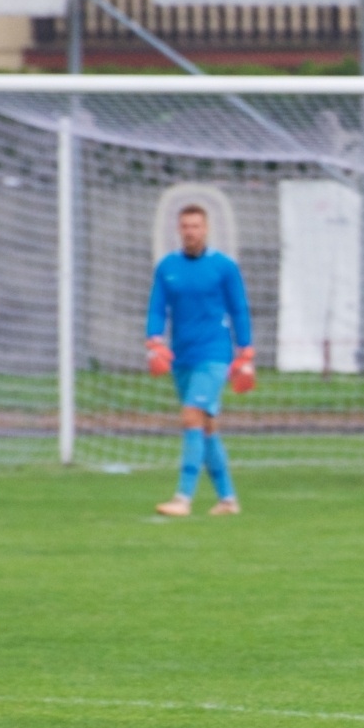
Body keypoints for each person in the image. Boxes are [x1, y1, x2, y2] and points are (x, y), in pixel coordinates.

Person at [145, 204, 254, 517]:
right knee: (206, 427)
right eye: (185, 226)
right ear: (179, 230)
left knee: (191, 416)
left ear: (205, 229)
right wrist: (154, 340)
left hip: (215, 354)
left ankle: (183, 498)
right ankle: (228, 500)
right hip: (183, 356)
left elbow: (239, 309)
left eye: (196, 226)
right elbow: (157, 308)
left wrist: (245, 349)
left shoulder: (224, 267)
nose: (190, 231)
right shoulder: (167, 266)